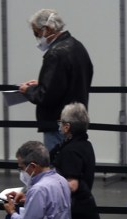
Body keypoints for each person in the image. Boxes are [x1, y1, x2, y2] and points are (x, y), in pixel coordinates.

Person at [19, 9, 94, 149]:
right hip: (78, 119)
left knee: (57, 166)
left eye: (36, 33)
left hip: (57, 123)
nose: (36, 37)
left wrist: (29, 90)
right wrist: (42, 84)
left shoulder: (55, 54)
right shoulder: (78, 47)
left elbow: (46, 95)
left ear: (46, 29)